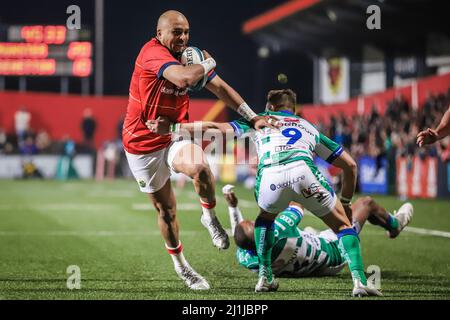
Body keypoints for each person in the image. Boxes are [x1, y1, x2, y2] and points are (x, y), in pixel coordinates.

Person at [147, 88, 382, 296]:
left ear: (270, 107)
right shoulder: (307, 126)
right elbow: (350, 165)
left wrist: (174, 128)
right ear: (294, 108)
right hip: (304, 172)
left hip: (271, 178)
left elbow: (214, 128)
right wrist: (346, 201)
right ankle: (360, 282)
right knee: (342, 227)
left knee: (265, 219)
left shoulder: (257, 120)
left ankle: (265, 277)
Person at [122, 10, 278, 291]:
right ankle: (182, 267)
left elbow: (221, 88)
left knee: (201, 168)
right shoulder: (152, 53)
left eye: (186, 32)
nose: (182, 37)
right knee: (167, 211)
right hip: (142, 145)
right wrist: (210, 62)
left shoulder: (192, 58)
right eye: (176, 32)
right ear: (160, 35)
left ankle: (209, 216)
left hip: (172, 135)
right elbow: (182, 79)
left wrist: (252, 116)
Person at [221, 185, 413, 288]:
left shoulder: (247, 258)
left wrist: (233, 208)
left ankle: (375, 219)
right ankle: (394, 225)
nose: (258, 224)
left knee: (309, 230)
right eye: (255, 226)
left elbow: (242, 239)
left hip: (311, 260)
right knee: (366, 203)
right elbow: (297, 205)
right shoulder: (278, 229)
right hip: (334, 250)